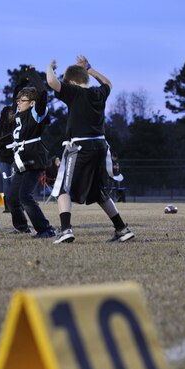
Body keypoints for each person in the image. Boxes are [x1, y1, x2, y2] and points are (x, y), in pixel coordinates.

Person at [46, 56, 134, 243]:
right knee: (97, 191)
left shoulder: (75, 92)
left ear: (72, 82)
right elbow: (108, 82)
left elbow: (52, 82)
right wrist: (89, 68)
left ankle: (66, 230)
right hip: (100, 146)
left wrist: (50, 67)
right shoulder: (98, 93)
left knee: (63, 188)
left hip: (81, 147)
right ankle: (122, 229)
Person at [5, 66, 56, 238]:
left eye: (23, 100)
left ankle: (45, 229)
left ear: (32, 103)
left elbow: (42, 92)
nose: (18, 103)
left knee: (25, 196)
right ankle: (21, 227)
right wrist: (22, 79)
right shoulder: (19, 113)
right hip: (21, 158)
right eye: (18, 100)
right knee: (12, 198)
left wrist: (33, 75)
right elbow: (15, 96)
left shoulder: (36, 113)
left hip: (34, 158)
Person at [0, 106, 15, 213]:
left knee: (14, 181)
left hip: (15, 158)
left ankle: (16, 205)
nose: (13, 115)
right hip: (3, 158)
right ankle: (7, 207)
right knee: (6, 182)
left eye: (13, 113)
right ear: (6, 115)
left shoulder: (16, 126)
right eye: (11, 113)